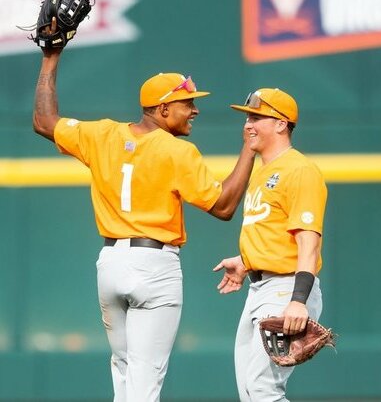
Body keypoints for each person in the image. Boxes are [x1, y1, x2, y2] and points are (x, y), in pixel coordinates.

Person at [33, 30, 255, 401]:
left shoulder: (102, 134)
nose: (195, 110)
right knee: (145, 381)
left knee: (123, 372)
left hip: (111, 264)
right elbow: (224, 207)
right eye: (188, 103)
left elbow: (44, 120)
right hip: (155, 267)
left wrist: (50, 57)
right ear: (163, 109)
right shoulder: (176, 152)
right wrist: (249, 150)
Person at [213, 88, 328, 401]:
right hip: (260, 290)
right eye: (248, 117)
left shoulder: (299, 170)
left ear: (281, 124)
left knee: (264, 389)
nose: (248, 124)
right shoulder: (262, 170)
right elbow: (277, 234)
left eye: (257, 117)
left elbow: (308, 243)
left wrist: (298, 300)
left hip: (286, 289)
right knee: (251, 392)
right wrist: (247, 261)